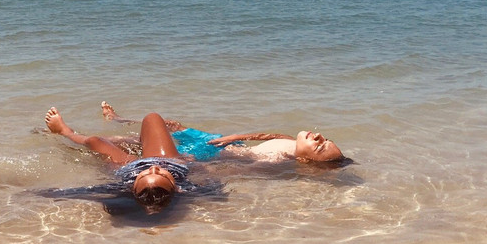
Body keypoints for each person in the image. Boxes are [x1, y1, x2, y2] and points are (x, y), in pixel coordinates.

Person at [44, 106, 216, 213]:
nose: (152, 169)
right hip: (169, 160)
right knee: (153, 118)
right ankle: (138, 139)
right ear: (176, 187)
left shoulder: (121, 186)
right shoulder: (187, 188)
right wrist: (195, 164)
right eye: (162, 175)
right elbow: (214, 186)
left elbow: (76, 192)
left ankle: (65, 132)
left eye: (145, 175)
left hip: (128, 166)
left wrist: (39, 193)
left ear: (132, 186)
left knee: (94, 141)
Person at [99, 101, 346, 163]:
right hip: (221, 141)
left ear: (304, 160)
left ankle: (102, 142)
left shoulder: (280, 160)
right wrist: (236, 137)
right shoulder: (291, 142)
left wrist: (196, 164)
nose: (320, 136)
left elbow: (240, 165)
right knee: (169, 124)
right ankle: (119, 119)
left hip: (212, 152)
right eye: (326, 138)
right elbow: (267, 136)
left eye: (320, 146)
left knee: (142, 143)